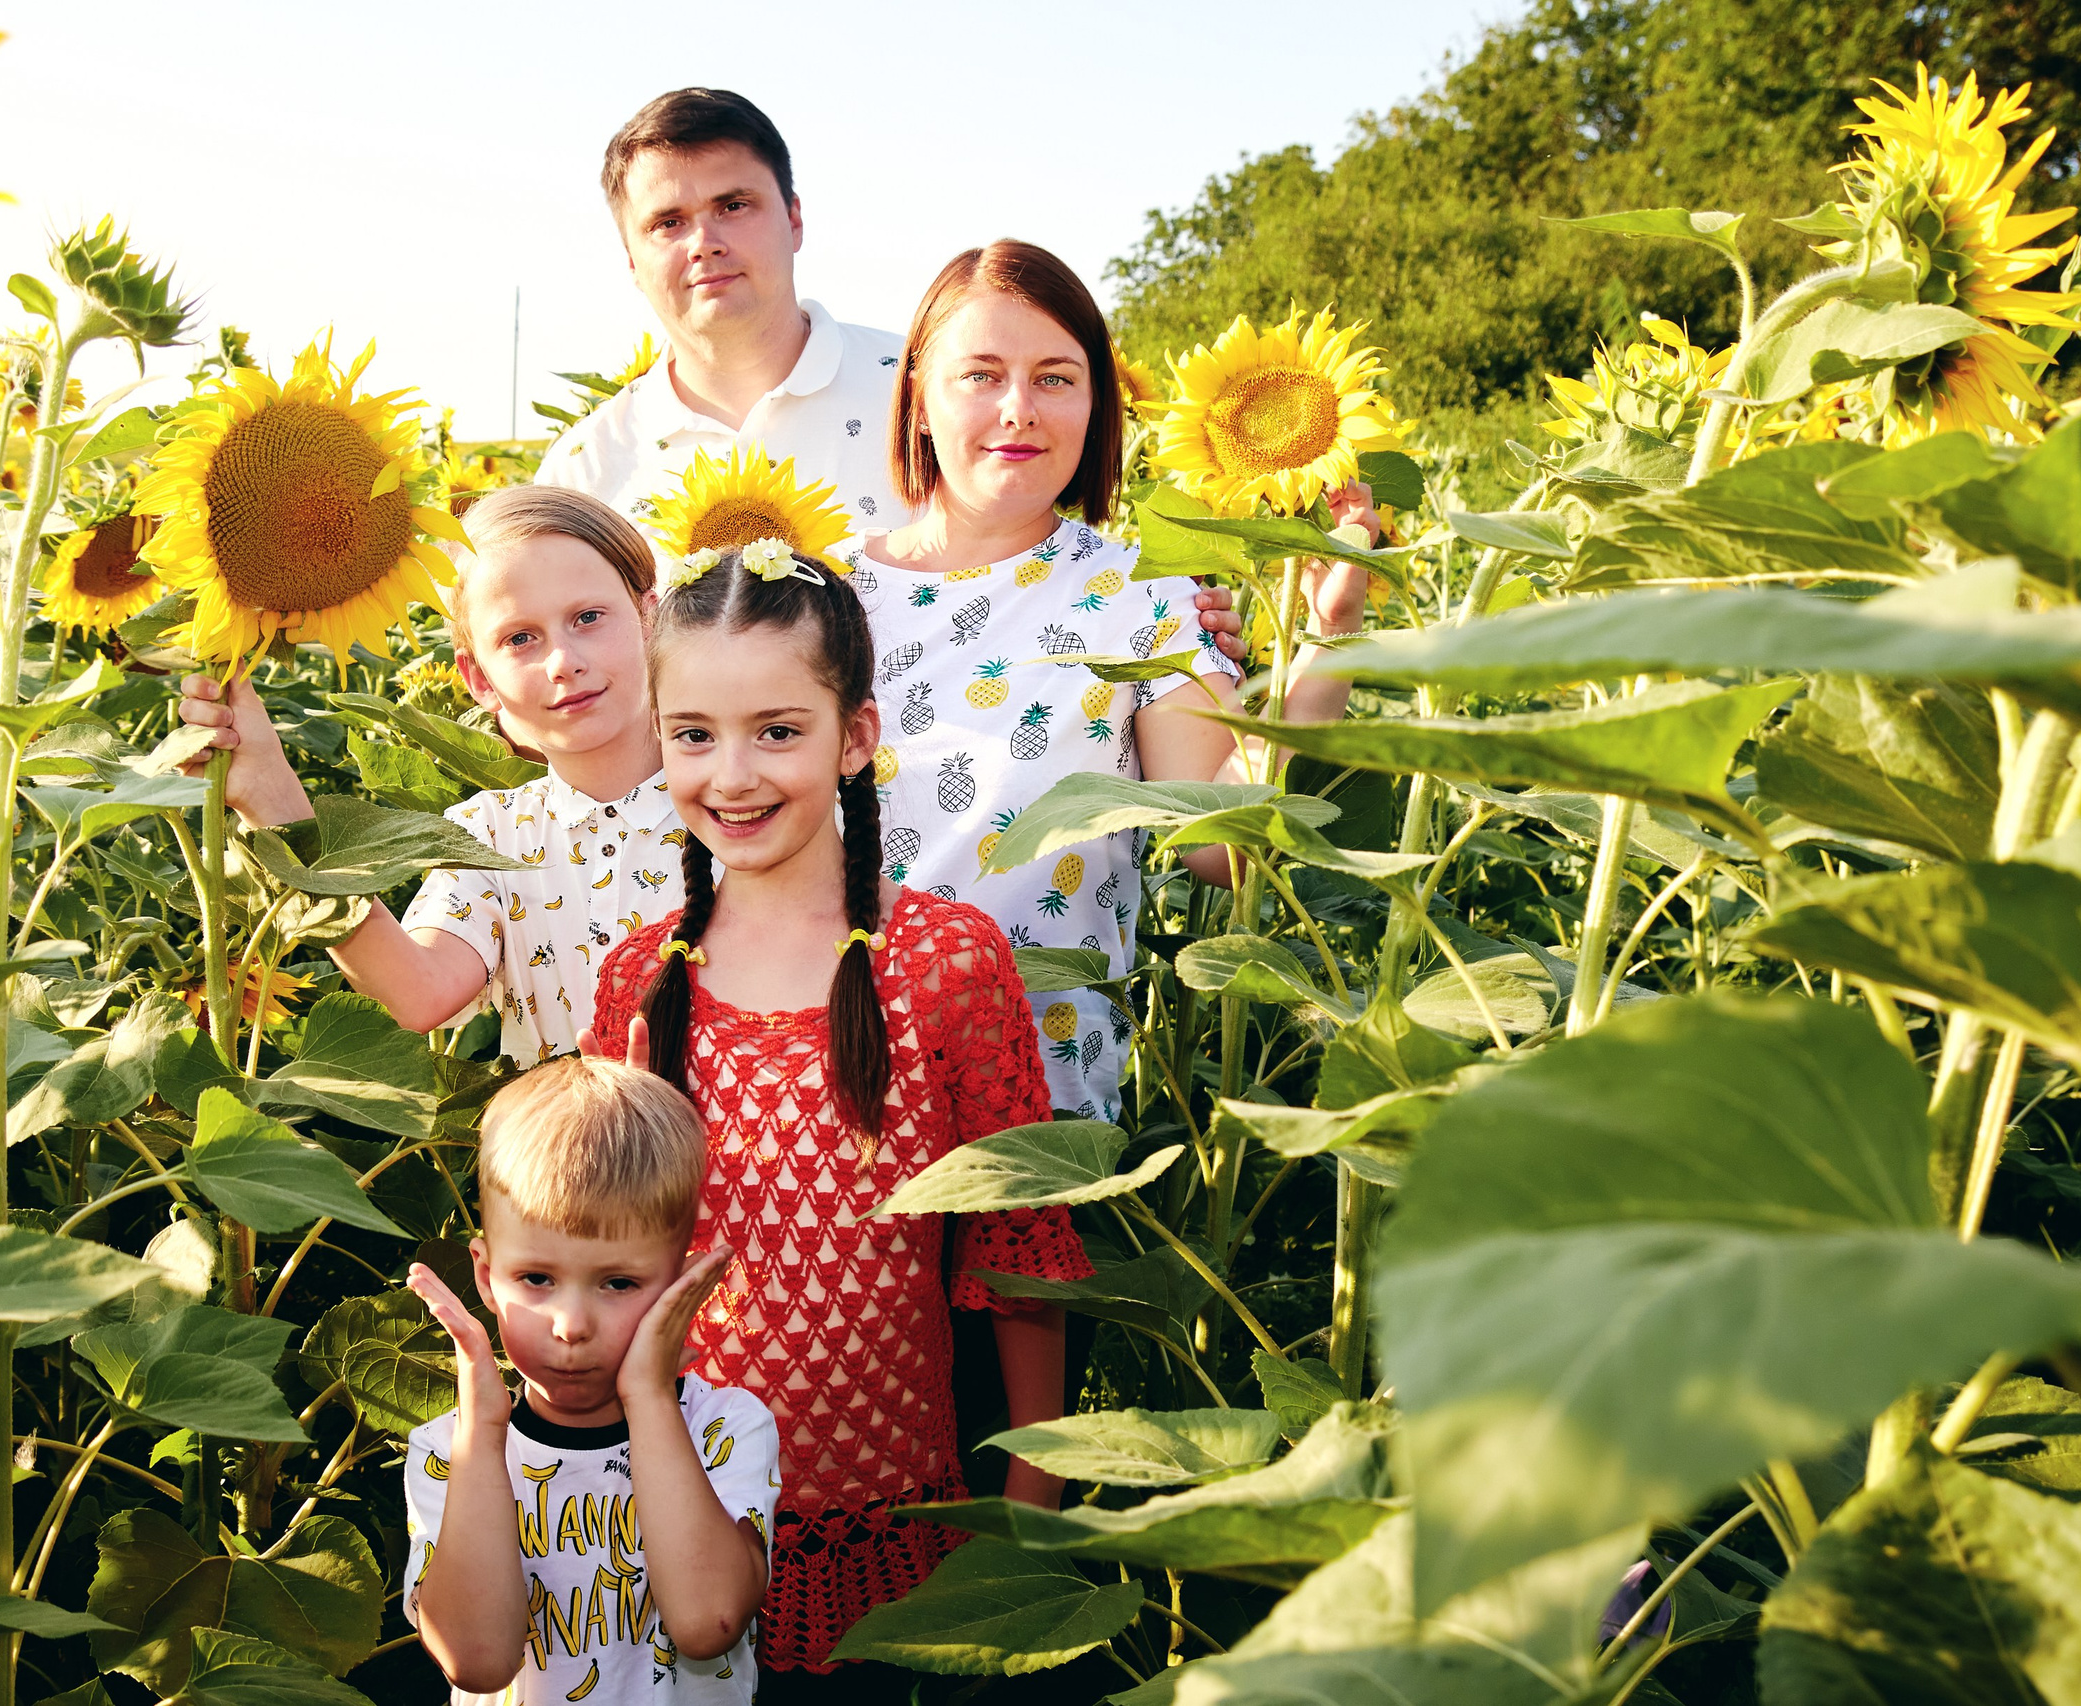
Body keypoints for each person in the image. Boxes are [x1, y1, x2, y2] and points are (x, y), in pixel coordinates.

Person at [587, 538, 1091, 1686]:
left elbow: (1018, 1249)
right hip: (673, 1527)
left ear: (855, 736)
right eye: (693, 734)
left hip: (904, 1542)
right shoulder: (638, 983)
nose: (732, 775)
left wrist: (1030, 1500)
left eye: (777, 731)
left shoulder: (946, 962)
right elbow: (604, 1264)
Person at [833, 240, 1374, 1121]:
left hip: (1035, 1115)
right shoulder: (817, 596)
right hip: (818, 1089)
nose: (1019, 408)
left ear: (1096, 406)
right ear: (920, 400)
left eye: (1055, 378)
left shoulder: (1145, 591)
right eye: (981, 376)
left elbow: (1223, 847)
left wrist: (1329, 635)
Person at [176, 486, 681, 1063]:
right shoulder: (490, 837)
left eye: (588, 618)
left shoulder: (736, 800)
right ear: (479, 680)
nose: (563, 662)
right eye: (520, 638)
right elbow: (417, 994)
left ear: (650, 619)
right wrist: (270, 792)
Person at [403, 1053, 777, 1703]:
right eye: (536, 1278)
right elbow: (477, 1662)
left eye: (618, 1283)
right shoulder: (449, 1450)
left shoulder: (723, 1430)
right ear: (486, 1276)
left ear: (681, 1286)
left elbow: (706, 1622)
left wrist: (650, 1396)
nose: (571, 1325)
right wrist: (483, 1434)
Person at [536, 88, 909, 540]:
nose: (704, 244)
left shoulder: (926, 396)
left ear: (793, 220)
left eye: (733, 206)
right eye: (668, 223)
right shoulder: (581, 478)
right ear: (632, 260)